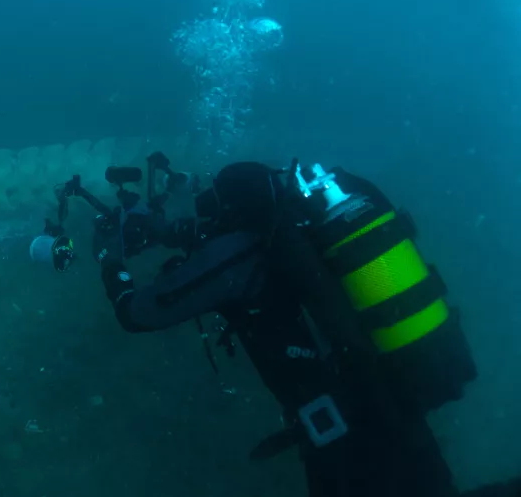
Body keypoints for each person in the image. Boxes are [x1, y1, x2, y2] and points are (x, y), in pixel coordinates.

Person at [91, 160, 516, 497]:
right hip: (391, 394)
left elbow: (140, 314)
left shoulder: (240, 253)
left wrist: (111, 264)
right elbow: (217, 247)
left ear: (233, 209)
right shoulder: (300, 232)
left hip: (341, 433)